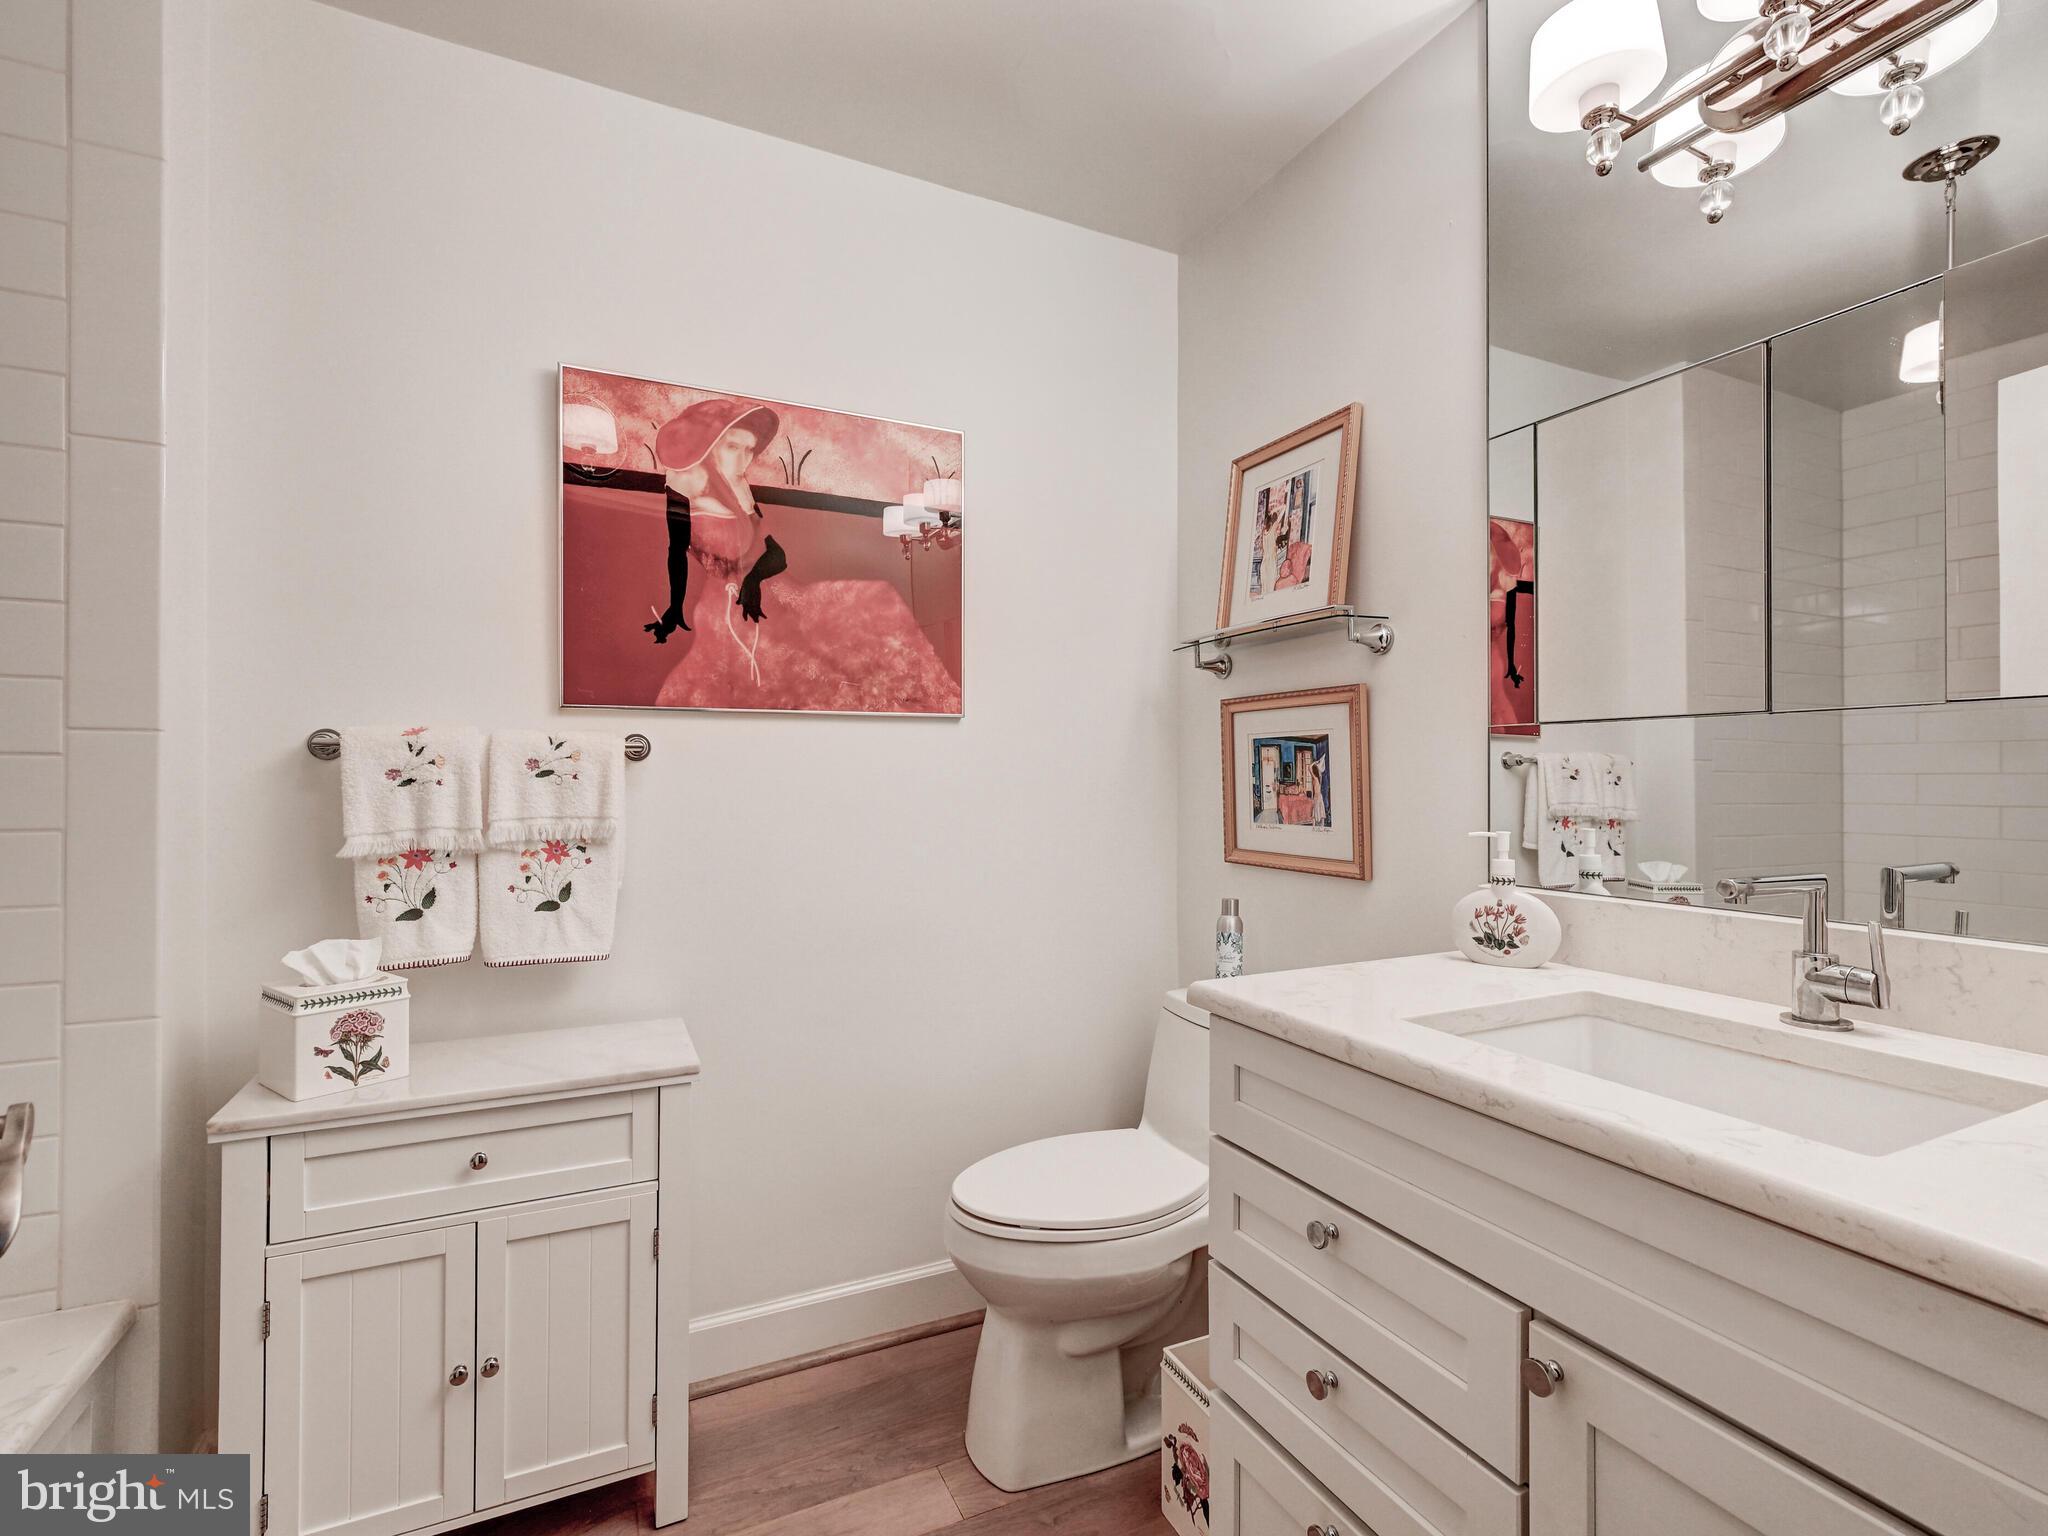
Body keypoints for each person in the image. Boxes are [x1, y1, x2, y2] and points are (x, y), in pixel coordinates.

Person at [641, 396, 962, 713]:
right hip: (727, 605)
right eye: (732, 447)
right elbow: (679, 555)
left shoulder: (741, 495)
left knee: (877, 597)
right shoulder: (686, 500)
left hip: (777, 589)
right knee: (790, 665)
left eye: (748, 450)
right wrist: (673, 608)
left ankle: (937, 703)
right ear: (711, 450)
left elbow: (775, 554)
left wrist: (754, 576)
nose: (742, 460)